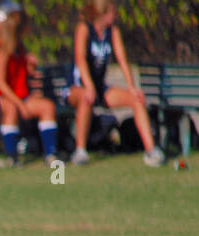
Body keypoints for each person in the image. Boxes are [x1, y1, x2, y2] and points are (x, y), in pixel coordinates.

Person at [65, 0, 163, 166]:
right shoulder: (84, 29)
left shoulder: (113, 31)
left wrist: (133, 88)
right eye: (112, 12)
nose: (115, 15)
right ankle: (80, 151)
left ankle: (151, 150)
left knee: (136, 100)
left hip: (99, 88)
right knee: (86, 98)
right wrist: (88, 86)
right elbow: (80, 60)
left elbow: (122, 60)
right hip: (77, 87)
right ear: (101, 13)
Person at [0, 4, 59, 165]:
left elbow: (21, 75)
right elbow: (1, 84)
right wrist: (20, 104)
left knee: (47, 106)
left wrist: (30, 65)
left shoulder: (19, 49)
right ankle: (12, 156)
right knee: (11, 109)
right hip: (2, 98)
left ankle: (50, 153)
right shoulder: (2, 52)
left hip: (20, 96)